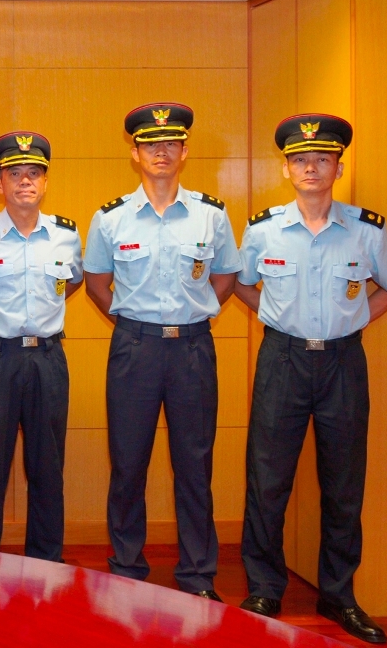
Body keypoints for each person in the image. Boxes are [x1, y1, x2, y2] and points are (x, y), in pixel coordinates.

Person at [235, 115, 387, 643]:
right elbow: (241, 284)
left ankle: (339, 595)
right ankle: (265, 586)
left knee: (343, 482)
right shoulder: (263, 229)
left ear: (338, 166)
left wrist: (353, 322)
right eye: (301, 160)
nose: (311, 167)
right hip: (281, 361)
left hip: (342, 364)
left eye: (322, 159)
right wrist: (276, 318)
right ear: (286, 167)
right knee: (268, 479)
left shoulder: (367, 230)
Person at [82, 103, 240, 600]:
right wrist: (132, 321)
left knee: (194, 464)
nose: (162, 151)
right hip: (135, 349)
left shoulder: (212, 215)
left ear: (185, 150)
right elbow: (96, 284)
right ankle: (127, 567)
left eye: (171, 143)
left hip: (192, 348)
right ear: (135, 153)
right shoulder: (110, 219)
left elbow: (228, 274)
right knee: (128, 462)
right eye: (151, 144)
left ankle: (197, 576)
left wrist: (198, 310)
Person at [0, 132, 82, 560]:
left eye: (33, 174)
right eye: (14, 174)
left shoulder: (66, 235)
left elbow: (73, 281)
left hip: (47, 357)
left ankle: (46, 560)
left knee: (48, 466)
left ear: (45, 183)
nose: (24, 182)